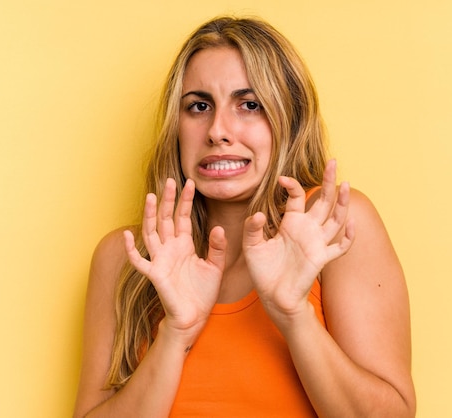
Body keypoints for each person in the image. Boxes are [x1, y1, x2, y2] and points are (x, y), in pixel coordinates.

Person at [73, 16, 415, 418]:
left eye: (249, 105)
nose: (218, 130)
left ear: (288, 119)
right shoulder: (127, 258)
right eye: (199, 106)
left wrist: (294, 314)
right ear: (175, 127)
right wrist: (175, 333)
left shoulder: (333, 224)